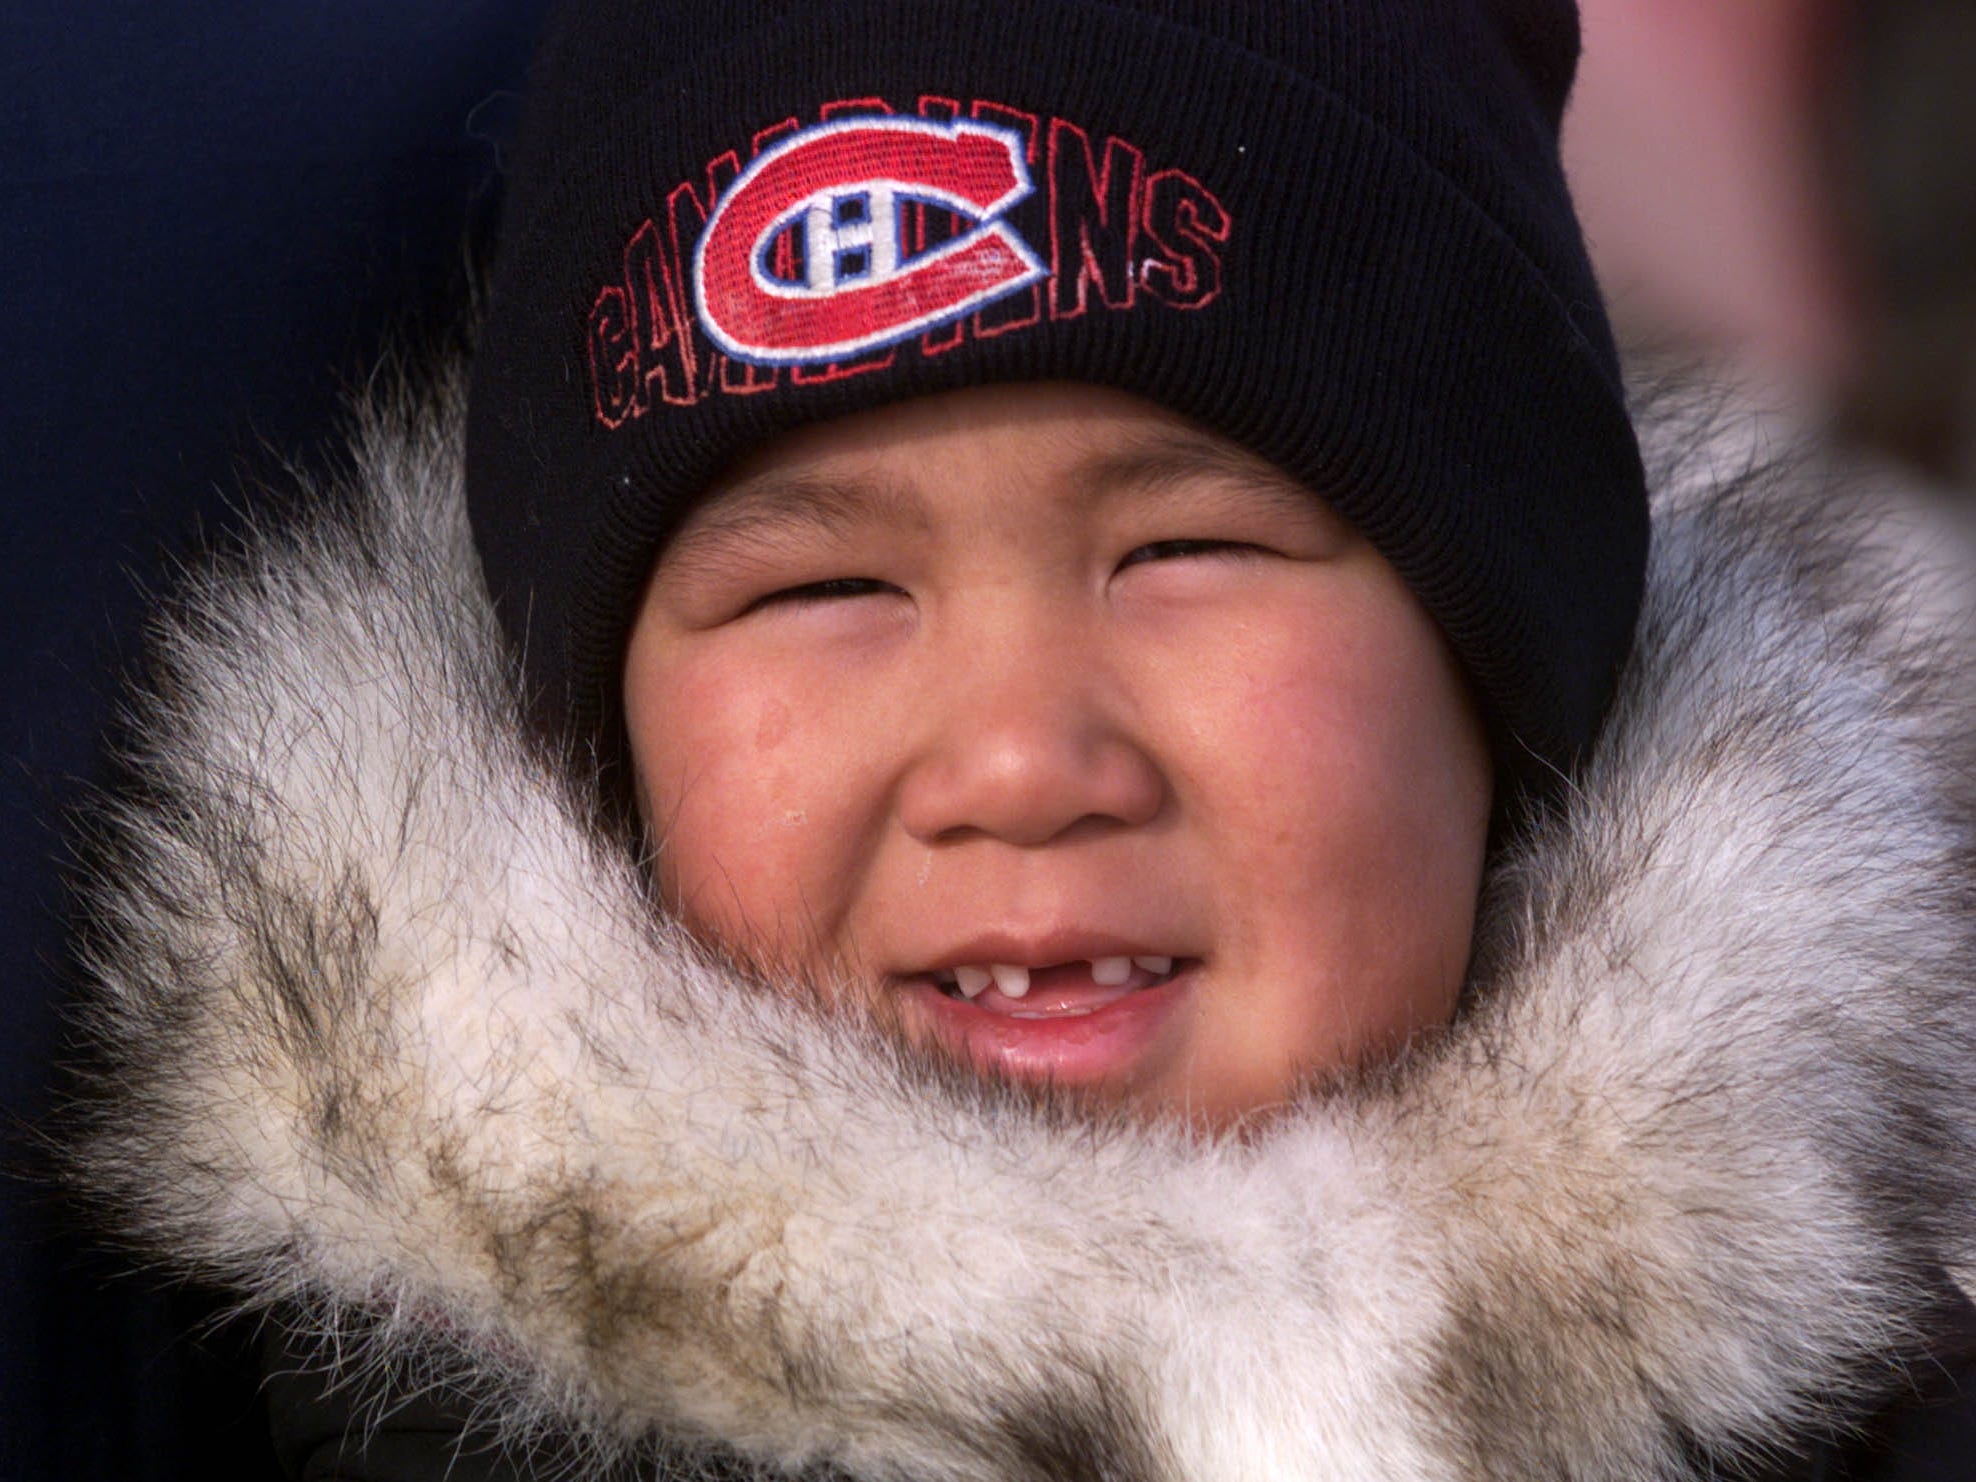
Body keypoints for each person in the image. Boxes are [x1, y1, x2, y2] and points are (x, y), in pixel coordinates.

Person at [61, 1, 1976, 1478]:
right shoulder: (362, 1421)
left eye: (1187, 549)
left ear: (1510, 668)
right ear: (597, 745)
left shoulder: (1880, 1383)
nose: (1018, 760)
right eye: (825, 592)